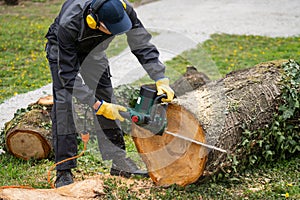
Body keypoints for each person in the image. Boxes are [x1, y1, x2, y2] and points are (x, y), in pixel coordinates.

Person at [45, 0, 174, 188]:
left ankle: (119, 161)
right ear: (94, 21)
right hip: (62, 49)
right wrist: (97, 106)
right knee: (64, 103)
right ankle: (64, 170)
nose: (116, 33)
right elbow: (68, 76)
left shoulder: (124, 9)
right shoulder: (69, 23)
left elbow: (141, 43)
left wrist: (160, 77)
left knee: (106, 93)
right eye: (111, 29)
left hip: (94, 51)